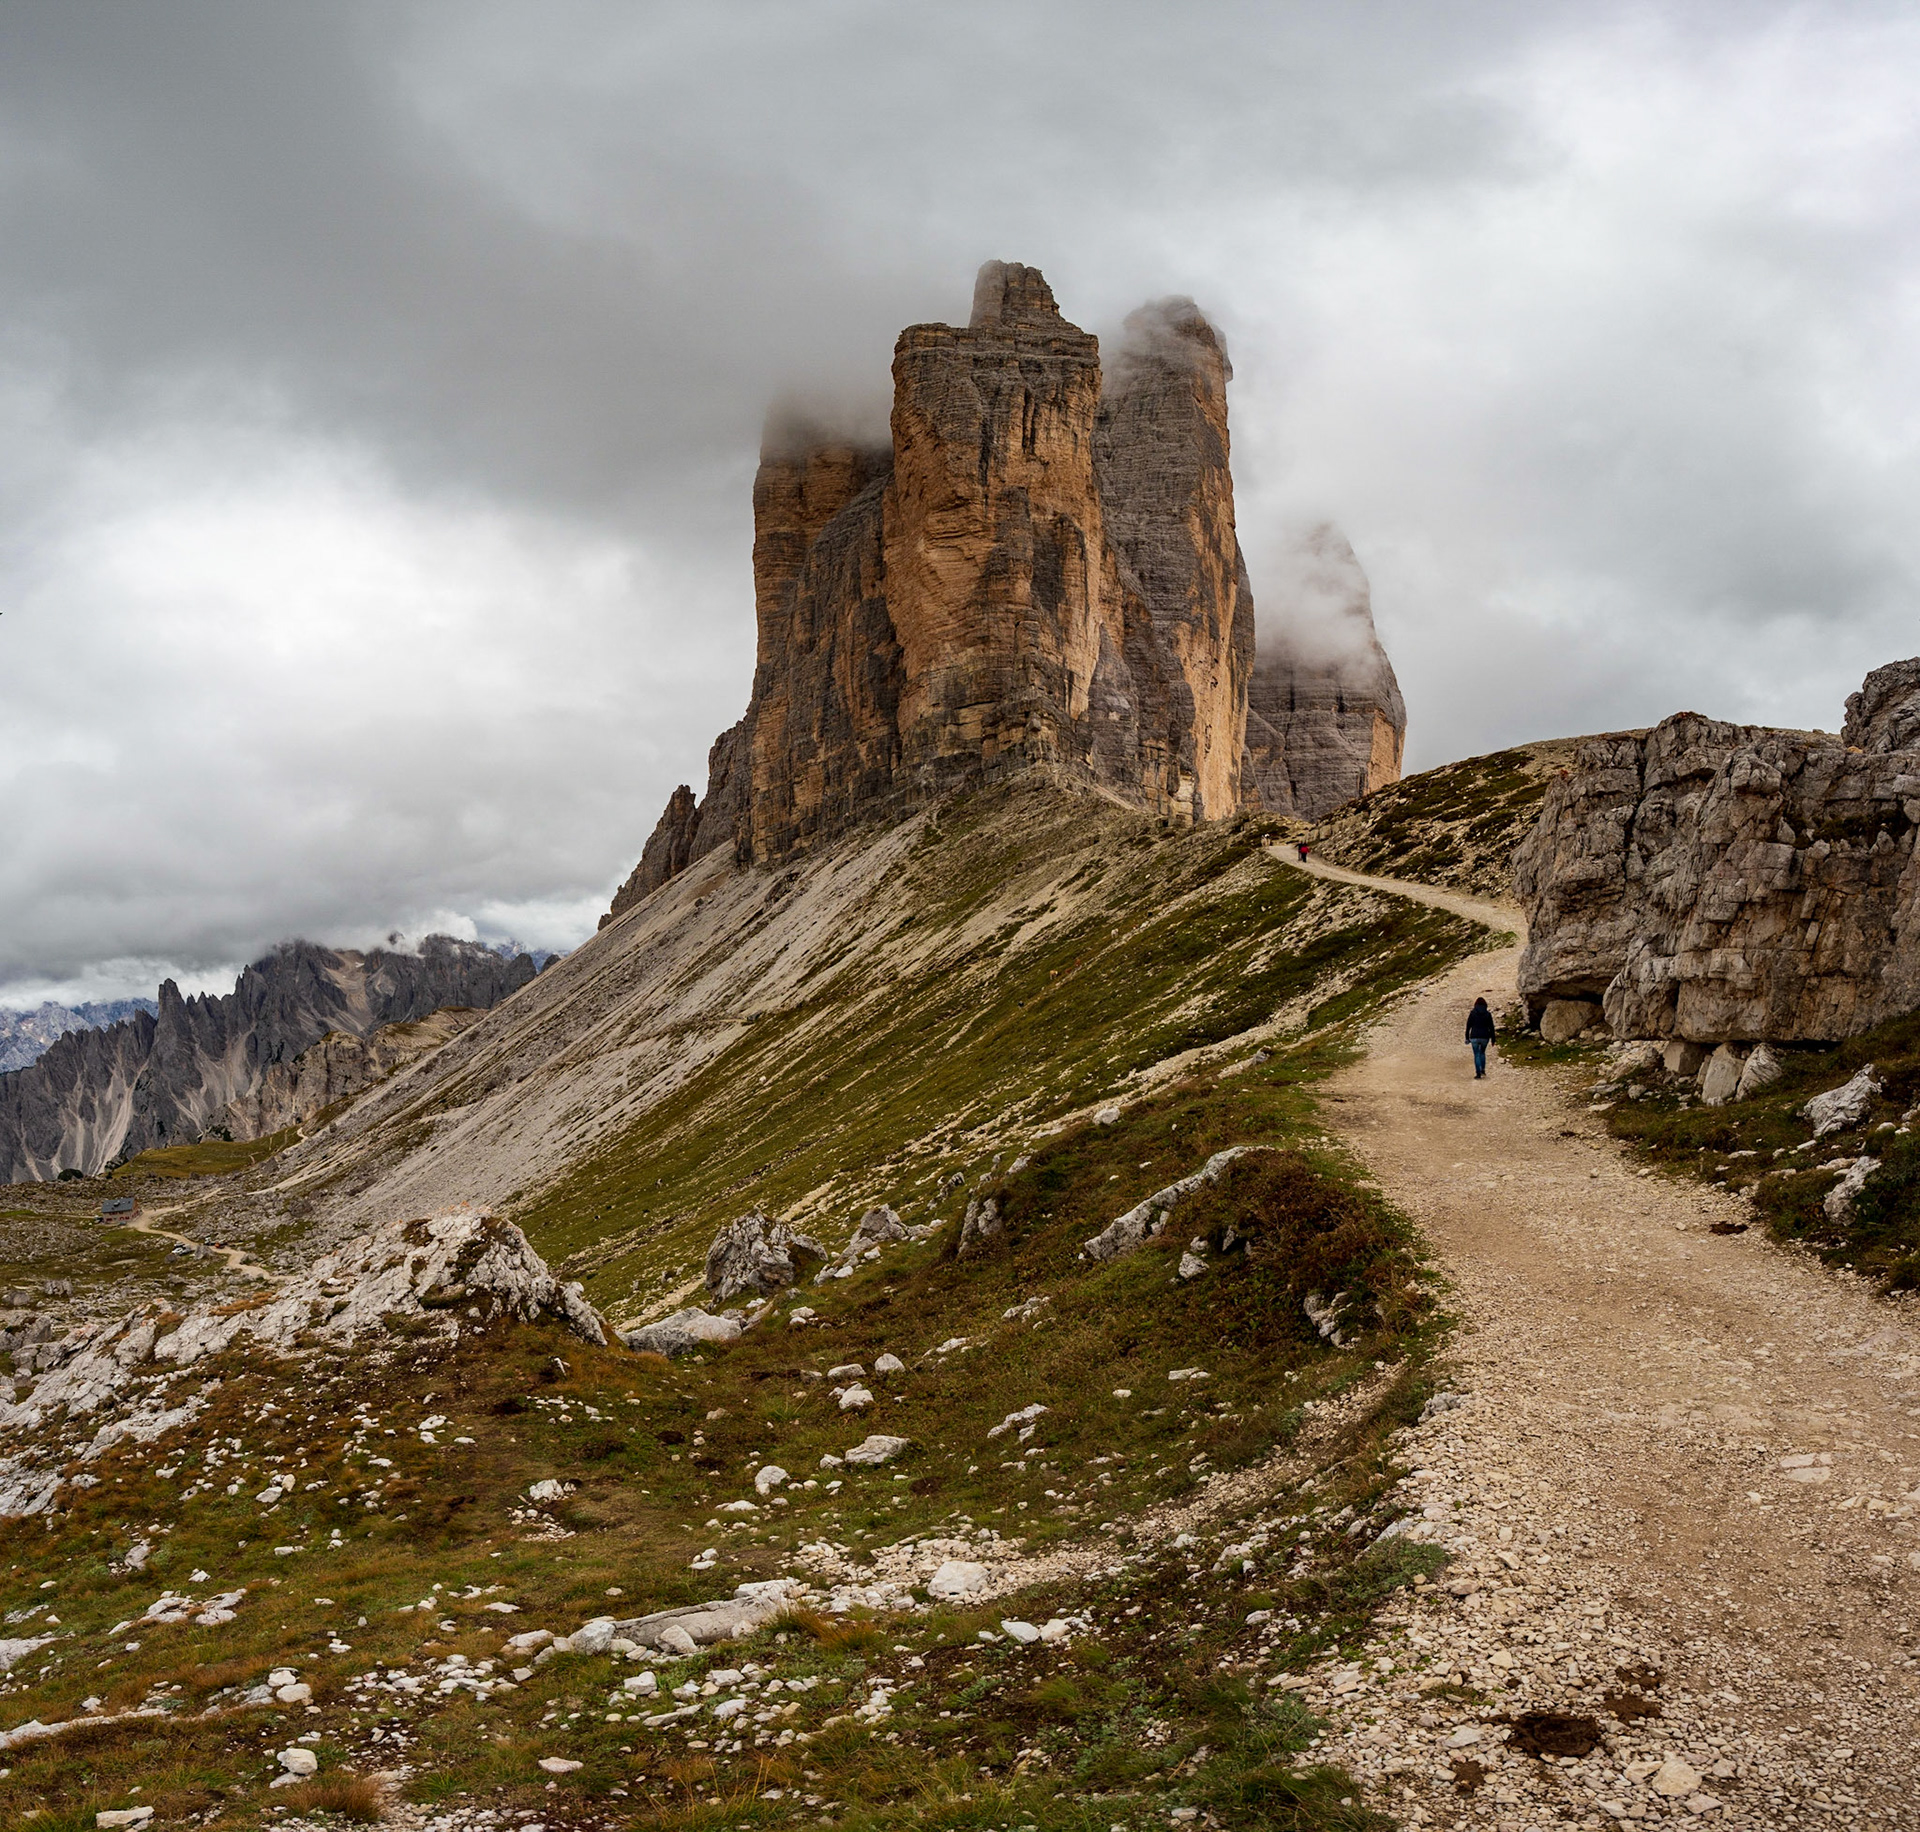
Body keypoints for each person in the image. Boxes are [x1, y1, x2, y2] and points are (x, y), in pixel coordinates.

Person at [1465, 997, 1495, 1078]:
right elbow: (1491, 1027)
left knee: (1476, 1054)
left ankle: (1478, 1073)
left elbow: (1468, 1026)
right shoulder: (1488, 1014)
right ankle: (1483, 1070)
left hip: (1474, 1036)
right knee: (1482, 1053)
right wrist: (1493, 1039)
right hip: (1485, 1036)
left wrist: (1467, 1037)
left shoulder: (1472, 1013)